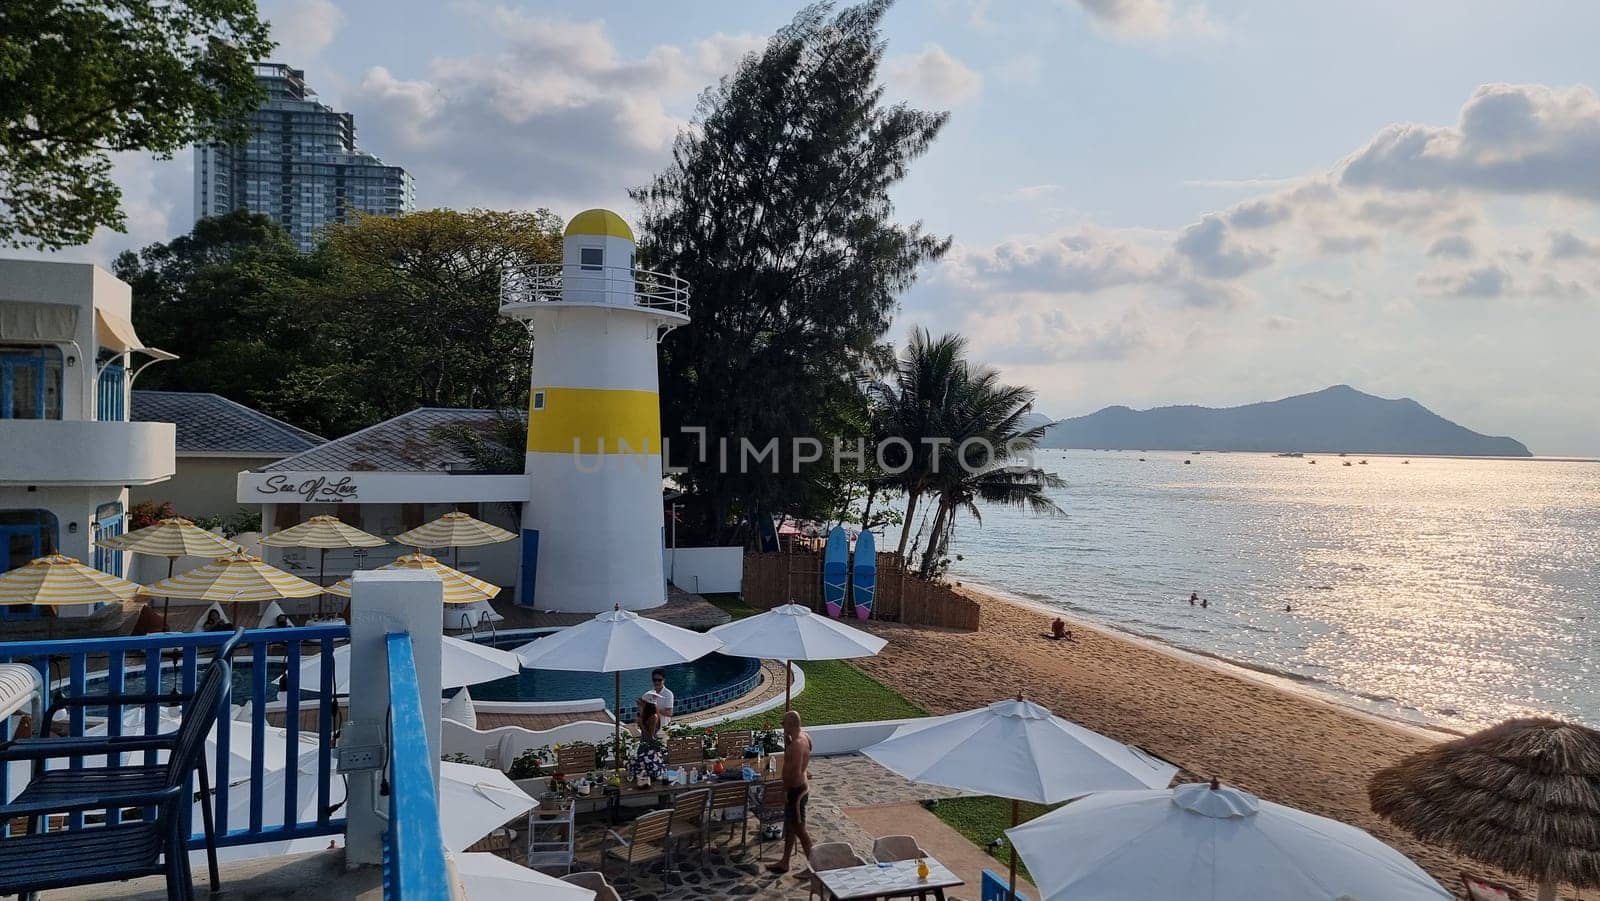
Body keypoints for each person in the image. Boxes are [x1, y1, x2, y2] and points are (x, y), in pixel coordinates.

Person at [768, 710, 814, 874]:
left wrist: (784, 791)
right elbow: (806, 757)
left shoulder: (795, 746)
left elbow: (792, 773)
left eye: (784, 724)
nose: (782, 727)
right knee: (790, 826)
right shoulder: (804, 737)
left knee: (800, 829)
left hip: (795, 791)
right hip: (801, 786)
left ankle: (813, 866)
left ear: (791, 725)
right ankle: (785, 861)